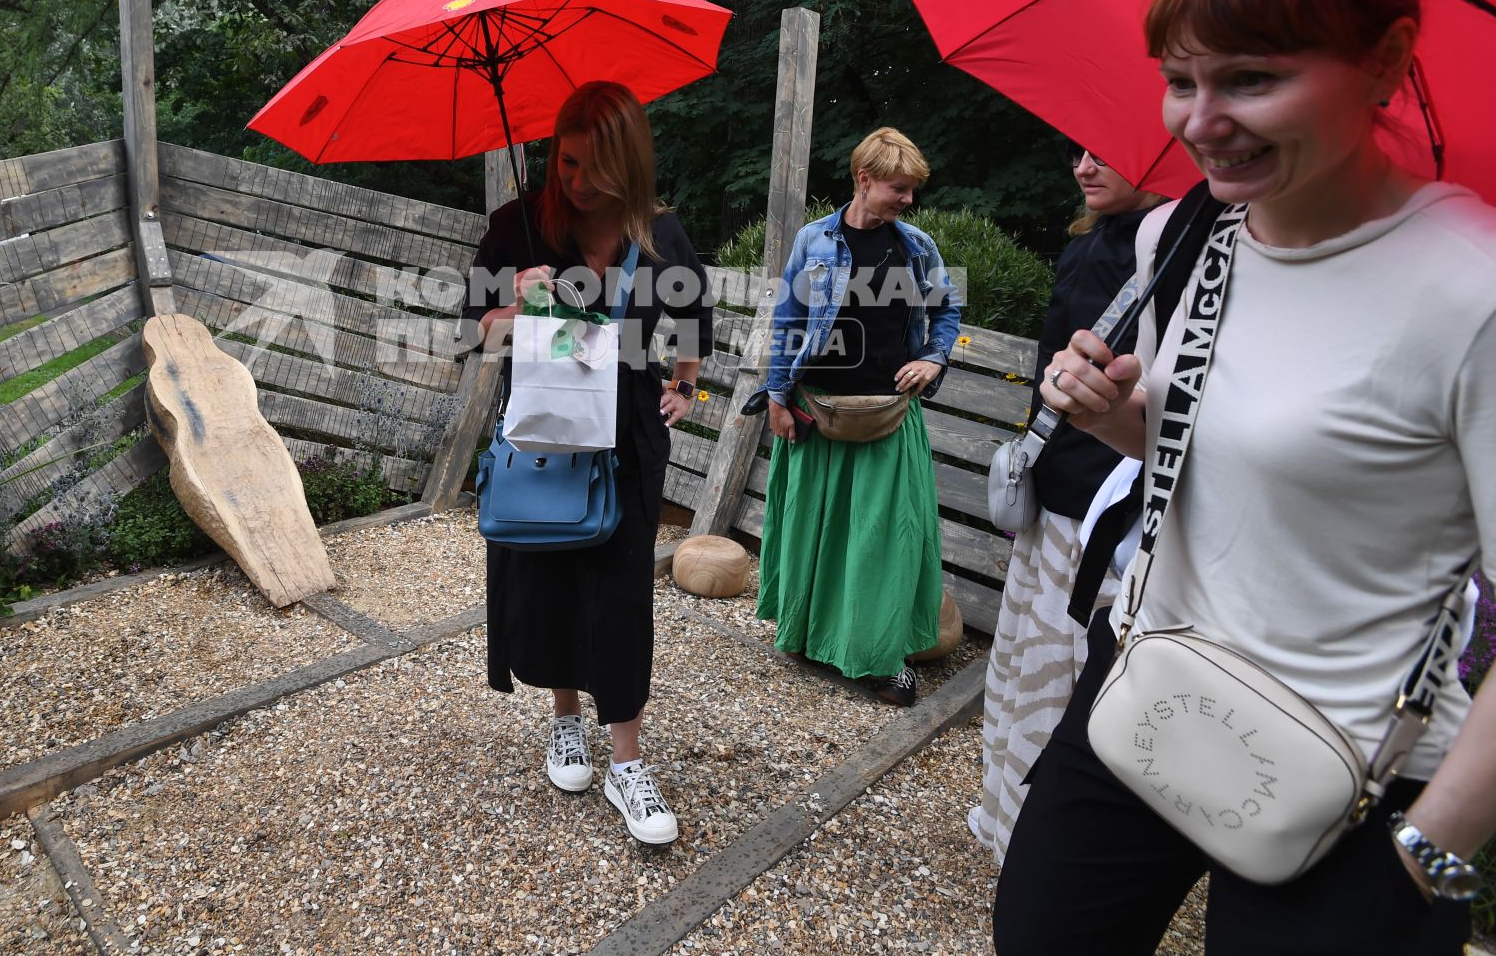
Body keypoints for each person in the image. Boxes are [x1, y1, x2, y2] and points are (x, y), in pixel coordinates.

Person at [994, 0, 1496, 955]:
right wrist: (1114, 418)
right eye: (1180, 80)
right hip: (1147, 687)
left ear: (1386, 61)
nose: (1201, 120)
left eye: (1253, 78)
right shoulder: (1188, 232)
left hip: (1356, 775)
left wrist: (1423, 862)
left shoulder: (1491, 293)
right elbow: (1200, 449)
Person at [462, 80, 711, 847]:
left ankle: (626, 763)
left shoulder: (660, 234)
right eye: (565, 163)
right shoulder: (517, 227)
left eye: (594, 167)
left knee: (622, 597)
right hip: (541, 441)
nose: (574, 181)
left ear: (628, 163)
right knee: (550, 577)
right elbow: (474, 332)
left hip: (629, 443)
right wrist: (512, 305)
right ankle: (565, 721)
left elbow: (697, 311)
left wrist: (687, 386)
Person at [969, 149, 1163, 861]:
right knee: (1028, 671)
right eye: (1077, 148)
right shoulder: (1090, 243)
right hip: (1058, 497)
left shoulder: (1171, 252)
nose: (1084, 165)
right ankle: (1010, 819)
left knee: (1061, 682)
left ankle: (1038, 840)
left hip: (1105, 517)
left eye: (1106, 151)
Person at [752, 127, 962, 707]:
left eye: (913, 191)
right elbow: (789, 318)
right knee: (811, 532)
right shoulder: (813, 242)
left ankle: (879, 656)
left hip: (888, 420)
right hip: (818, 412)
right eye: (900, 188)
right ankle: (807, 635)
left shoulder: (915, 246)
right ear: (863, 180)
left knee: (882, 542)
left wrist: (932, 356)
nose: (908, 201)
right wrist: (776, 397)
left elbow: (948, 307)